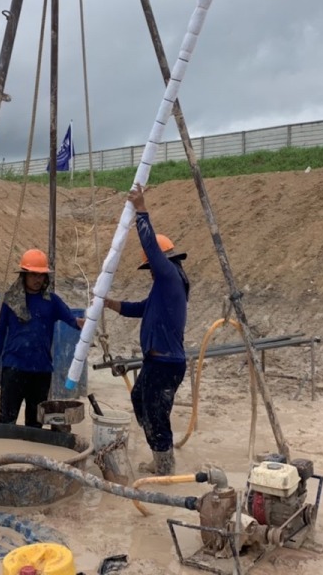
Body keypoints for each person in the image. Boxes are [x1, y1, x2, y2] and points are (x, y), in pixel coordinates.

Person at [102, 184, 189, 475]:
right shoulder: (163, 290)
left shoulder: (170, 277)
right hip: (157, 361)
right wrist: (110, 303)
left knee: (157, 413)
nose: (150, 271)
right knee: (140, 399)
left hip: (166, 363)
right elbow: (140, 308)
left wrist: (141, 210)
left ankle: (164, 466)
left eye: (151, 266)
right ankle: (159, 453)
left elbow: (152, 249)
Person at [0, 248, 85, 428]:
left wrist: (86, 323)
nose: (37, 279)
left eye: (41, 275)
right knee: (6, 422)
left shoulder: (52, 301)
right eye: (33, 275)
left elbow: (73, 320)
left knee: (35, 424)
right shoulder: (10, 301)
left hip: (41, 370)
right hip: (14, 368)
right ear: (24, 275)